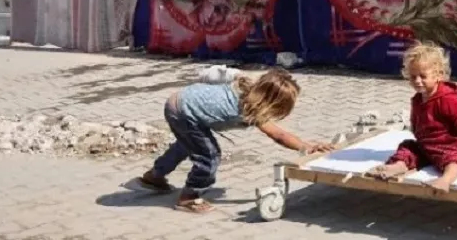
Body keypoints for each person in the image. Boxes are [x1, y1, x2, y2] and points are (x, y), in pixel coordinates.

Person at [139, 68, 335, 213]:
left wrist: (308, 146)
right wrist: (306, 147)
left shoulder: (245, 87)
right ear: (272, 102)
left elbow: (222, 74)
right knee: (209, 156)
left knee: (186, 145)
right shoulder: (250, 110)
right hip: (184, 113)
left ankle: (154, 176)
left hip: (180, 102)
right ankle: (188, 197)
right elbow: (279, 135)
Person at [368, 43, 457, 192]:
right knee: (407, 147)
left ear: (438, 75)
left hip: (449, 146)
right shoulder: (418, 99)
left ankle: (445, 180)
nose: (417, 81)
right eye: (413, 77)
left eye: (423, 76)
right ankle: (398, 166)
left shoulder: (447, 98)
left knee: (455, 158)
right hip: (426, 147)